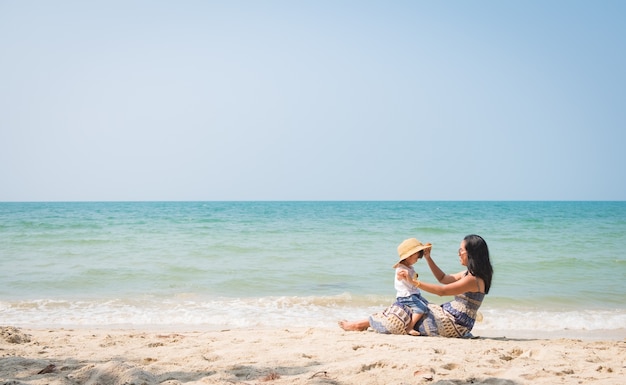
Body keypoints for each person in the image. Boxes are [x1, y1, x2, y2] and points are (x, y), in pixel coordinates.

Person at [339, 234, 493, 338]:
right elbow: (443, 278)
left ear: (471, 254)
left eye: (461, 250)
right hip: (451, 315)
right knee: (411, 305)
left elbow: (442, 291)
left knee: (404, 312)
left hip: (456, 323)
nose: (459, 254)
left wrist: (414, 283)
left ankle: (360, 324)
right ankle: (364, 323)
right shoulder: (469, 274)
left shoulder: (473, 279)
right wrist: (428, 257)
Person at [392, 238, 431, 336]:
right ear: (409, 256)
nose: (417, 260)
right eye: (416, 257)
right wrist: (400, 276)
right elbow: (400, 276)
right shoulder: (401, 269)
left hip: (413, 294)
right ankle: (410, 327)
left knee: (427, 305)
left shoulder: (410, 267)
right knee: (421, 308)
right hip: (406, 296)